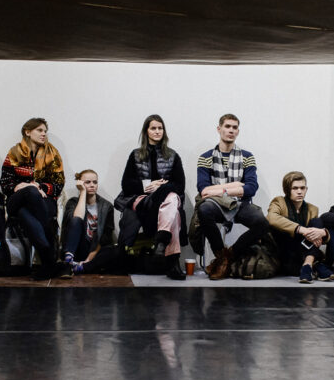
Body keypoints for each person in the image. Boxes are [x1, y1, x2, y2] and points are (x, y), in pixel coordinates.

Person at [195, 113, 269, 280]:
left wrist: (221, 190)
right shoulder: (205, 157)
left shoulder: (247, 157)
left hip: (239, 204)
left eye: (234, 127)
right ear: (219, 129)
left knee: (262, 223)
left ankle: (227, 257)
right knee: (204, 209)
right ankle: (220, 255)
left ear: (238, 131)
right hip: (215, 203)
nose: (231, 130)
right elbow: (203, 189)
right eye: (227, 126)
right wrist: (236, 185)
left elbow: (251, 188)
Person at [116, 115, 187, 279]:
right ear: (146, 131)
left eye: (160, 128)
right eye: (153, 128)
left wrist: (161, 188)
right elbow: (126, 185)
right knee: (172, 208)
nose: (157, 131)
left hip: (166, 201)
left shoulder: (173, 155)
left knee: (172, 201)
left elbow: (180, 185)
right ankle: (172, 261)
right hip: (142, 200)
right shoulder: (135, 155)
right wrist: (147, 185)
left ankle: (162, 240)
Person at [0, 117, 65, 280]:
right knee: (30, 191)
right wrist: (23, 186)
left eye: (45, 131)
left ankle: (47, 261)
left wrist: (40, 187)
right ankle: (51, 257)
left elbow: (59, 184)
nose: (43, 134)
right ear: (27, 132)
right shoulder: (14, 153)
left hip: (44, 200)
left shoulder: (52, 154)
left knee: (25, 212)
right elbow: (5, 183)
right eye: (39, 130)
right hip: (16, 200)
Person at [266, 171, 334, 283]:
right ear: (287, 190)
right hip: (284, 250)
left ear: (306, 189)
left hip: (302, 251)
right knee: (292, 231)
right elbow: (271, 218)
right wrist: (301, 229)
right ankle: (315, 266)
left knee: (317, 222)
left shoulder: (312, 209)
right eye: (295, 188)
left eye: (302, 188)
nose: (299, 191)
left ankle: (307, 265)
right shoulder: (279, 201)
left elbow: (315, 239)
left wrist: (323, 233)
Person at [61, 169, 119, 277]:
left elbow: (105, 237)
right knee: (75, 220)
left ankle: (81, 267)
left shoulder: (107, 206)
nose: (92, 185)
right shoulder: (73, 202)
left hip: (96, 250)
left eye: (95, 182)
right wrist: (83, 192)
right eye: (87, 182)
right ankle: (69, 260)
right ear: (80, 184)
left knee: (116, 250)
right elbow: (76, 220)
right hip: (77, 247)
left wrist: (89, 259)